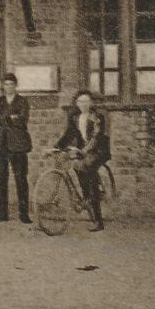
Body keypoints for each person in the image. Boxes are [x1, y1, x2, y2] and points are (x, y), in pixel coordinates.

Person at [55, 89, 112, 231]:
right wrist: (56, 147)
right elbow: (68, 134)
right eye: (80, 101)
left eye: (86, 101)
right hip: (84, 150)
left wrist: (84, 151)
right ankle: (87, 196)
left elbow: (96, 138)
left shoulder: (97, 117)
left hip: (99, 150)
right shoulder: (75, 117)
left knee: (88, 172)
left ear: (91, 103)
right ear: (76, 102)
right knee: (75, 163)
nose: (83, 104)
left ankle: (99, 222)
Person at [0, 73, 33, 223]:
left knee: (21, 179)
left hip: (18, 145)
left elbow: (22, 119)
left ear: (16, 86)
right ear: (3, 86)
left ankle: (24, 214)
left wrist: (4, 118)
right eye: (6, 84)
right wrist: (10, 118)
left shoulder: (22, 101)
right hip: (0, 145)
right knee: (1, 179)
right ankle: (2, 213)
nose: (9, 87)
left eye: (11, 84)